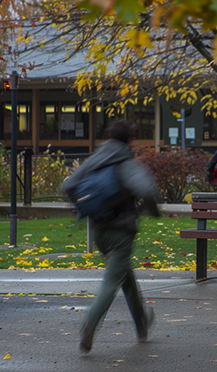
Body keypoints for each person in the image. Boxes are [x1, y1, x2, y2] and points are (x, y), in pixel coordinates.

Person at [62, 119, 160, 354]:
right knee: (112, 281)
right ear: (130, 139)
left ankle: (142, 323)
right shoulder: (125, 162)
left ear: (107, 137)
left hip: (98, 231)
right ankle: (90, 323)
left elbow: (68, 186)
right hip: (121, 232)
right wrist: (149, 210)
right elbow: (147, 191)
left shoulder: (94, 160)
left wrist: (82, 207)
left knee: (124, 275)